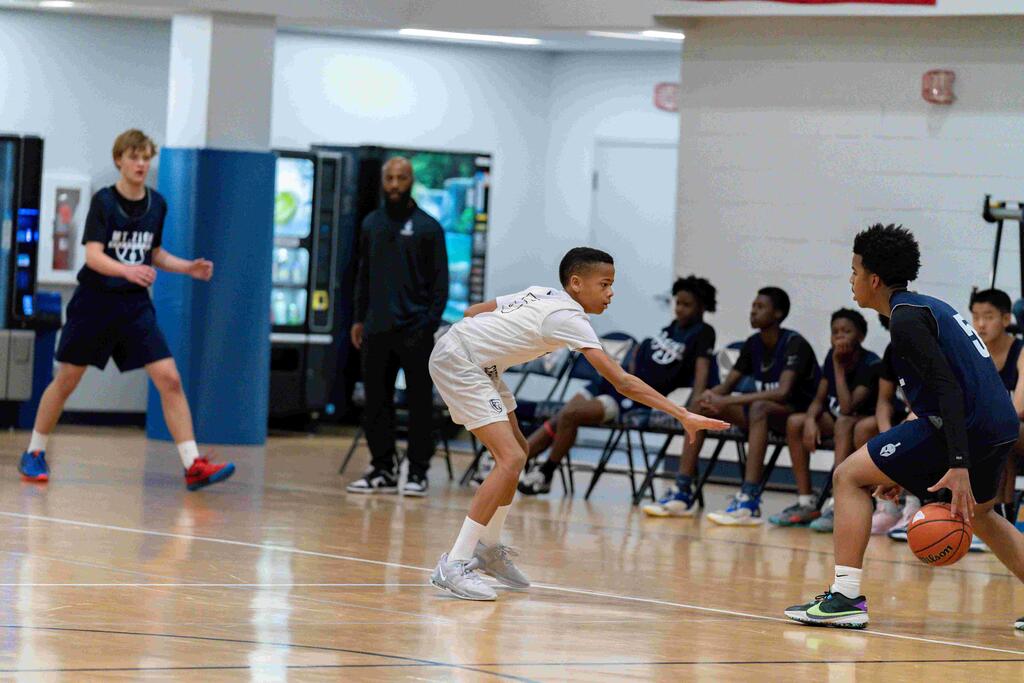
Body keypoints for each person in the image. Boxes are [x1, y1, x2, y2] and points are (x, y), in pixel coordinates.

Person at [427, 248, 729, 600]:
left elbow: (473, 312)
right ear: (576, 283)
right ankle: (454, 563)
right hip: (461, 362)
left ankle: (489, 548)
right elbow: (623, 382)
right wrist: (683, 414)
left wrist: (493, 341)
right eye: (604, 284)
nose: (610, 293)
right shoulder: (568, 318)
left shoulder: (542, 293)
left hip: (479, 363)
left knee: (519, 452)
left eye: (611, 284)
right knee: (510, 457)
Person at [785, 224, 1024, 631]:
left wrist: (959, 463)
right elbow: (938, 397)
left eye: (855, 271)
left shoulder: (906, 320)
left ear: (874, 279)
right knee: (982, 515)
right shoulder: (928, 307)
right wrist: (901, 469)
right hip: (996, 425)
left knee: (848, 476)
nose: (851, 280)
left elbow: (948, 390)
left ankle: (844, 598)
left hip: (968, 425)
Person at [18, 129, 234, 490]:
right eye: (134, 157)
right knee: (67, 379)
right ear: (119, 160)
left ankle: (192, 464)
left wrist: (187, 268)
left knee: (169, 378)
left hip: (134, 306)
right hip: (95, 302)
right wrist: (127, 270)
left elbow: (153, 253)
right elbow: (93, 256)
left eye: (146, 158)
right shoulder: (104, 202)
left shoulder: (157, 204)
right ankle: (34, 453)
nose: (141, 164)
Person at [518, 275, 717, 498]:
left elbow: (701, 373)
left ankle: (546, 471)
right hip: (609, 381)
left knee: (570, 415)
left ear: (702, 307)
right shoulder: (672, 328)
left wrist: (692, 409)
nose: (679, 309)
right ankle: (513, 464)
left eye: (686, 305)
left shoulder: (703, 333)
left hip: (629, 396)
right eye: (677, 303)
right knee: (562, 416)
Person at [347, 157, 449, 497]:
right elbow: (362, 275)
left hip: (415, 332)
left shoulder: (428, 227)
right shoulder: (371, 223)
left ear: (411, 181)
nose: (394, 184)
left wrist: (428, 324)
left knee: (420, 403)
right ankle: (383, 469)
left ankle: (417, 471)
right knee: (376, 402)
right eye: (389, 178)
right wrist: (359, 318)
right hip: (376, 329)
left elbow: (440, 284)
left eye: (400, 178)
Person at [699, 287, 820, 526]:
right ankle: (683, 490)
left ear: (778, 313)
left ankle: (749, 499)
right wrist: (710, 396)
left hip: (797, 414)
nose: (753, 311)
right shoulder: (753, 343)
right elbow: (727, 386)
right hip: (763, 416)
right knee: (699, 408)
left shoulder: (795, 344)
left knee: (759, 408)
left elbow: (782, 392)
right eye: (753, 306)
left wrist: (727, 400)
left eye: (760, 307)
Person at [770, 309, 879, 529]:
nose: (839, 336)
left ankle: (838, 501)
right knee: (796, 422)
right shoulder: (831, 356)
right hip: (837, 420)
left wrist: (838, 367)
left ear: (861, 336)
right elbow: (819, 399)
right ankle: (806, 502)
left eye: (846, 331)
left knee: (843, 422)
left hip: (861, 423)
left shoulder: (871, 363)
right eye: (835, 331)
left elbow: (847, 408)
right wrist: (811, 420)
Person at [969, 288, 1024, 522]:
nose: (981, 324)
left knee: (1005, 432)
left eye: (988, 317)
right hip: (994, 431)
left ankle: (1002, 515)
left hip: (1018, 430)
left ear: (1006, 319)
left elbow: (1019, 408)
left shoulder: (1021, 352)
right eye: (975, 317)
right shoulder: (971, 354)